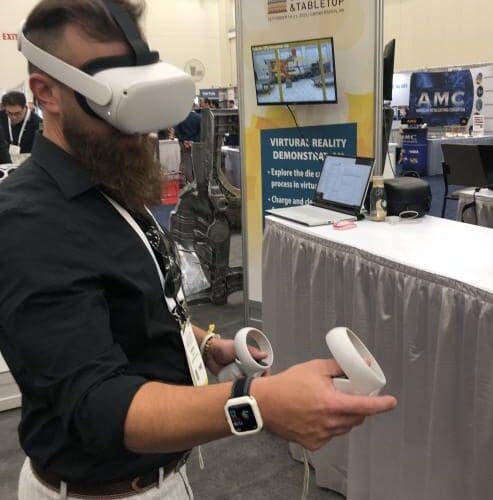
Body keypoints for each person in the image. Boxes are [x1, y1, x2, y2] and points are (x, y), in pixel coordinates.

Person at [0, 2, 397, 499]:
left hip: (165, 477)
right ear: (47, 93)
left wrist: (209, 345)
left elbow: (134, 310)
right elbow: (98, 403)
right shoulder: (26, 222)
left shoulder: (106, 182)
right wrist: (258, 403)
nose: (139, 123)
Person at [0, 90, 42, 155]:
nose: (13, 117)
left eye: (17, 113)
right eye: (9, 113)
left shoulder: (37, 123)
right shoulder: (1, 117)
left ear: (25, 107)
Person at [174, 108, 201, 182]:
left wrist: (184, 140)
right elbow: (201, 131)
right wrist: (193, 141)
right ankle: (195, 181)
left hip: (183, 144)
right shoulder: (199, 117)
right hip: (195, 144)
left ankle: (187, 182)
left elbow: (177, 131)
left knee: (185, 162)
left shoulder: (180, 117)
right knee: (196, 163)